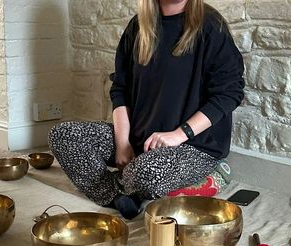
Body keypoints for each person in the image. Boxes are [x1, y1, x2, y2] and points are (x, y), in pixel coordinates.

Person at [49, 0, 245, 219]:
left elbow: (229, 93)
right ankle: (119, 196)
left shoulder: (211, 26)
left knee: (147, 173)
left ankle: (127, 187)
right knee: (63, 135)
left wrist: (179, 135)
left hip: (193, 145)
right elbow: (120, 89)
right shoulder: (137, 27)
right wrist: (123, 144)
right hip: (139, 139)